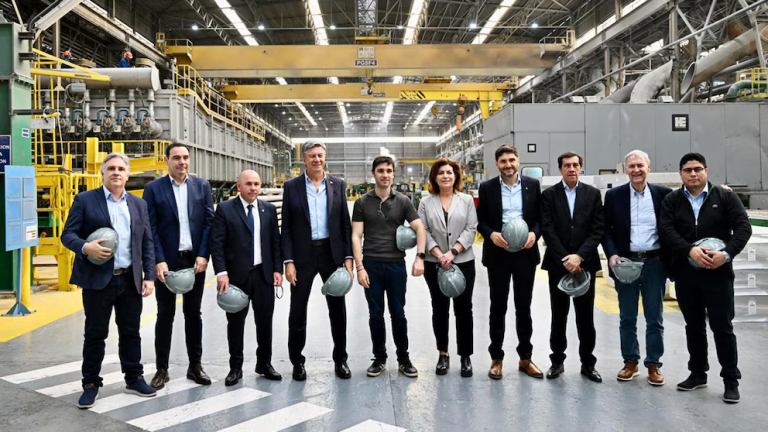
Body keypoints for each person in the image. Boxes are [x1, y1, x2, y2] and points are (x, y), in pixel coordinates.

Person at [61, 153, 157, 409]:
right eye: (111, 168)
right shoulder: (85, 200)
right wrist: (85, 247)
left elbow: (146, 242)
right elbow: (67, 234)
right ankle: (90, 383)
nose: (116, 172)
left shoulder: (138, 204)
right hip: (97, 280)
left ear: (128, 174)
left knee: (131, 332)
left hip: (129, 280)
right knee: (95, 333)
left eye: (121, 169)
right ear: (102, 173)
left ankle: (134, 378)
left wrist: (149, 276)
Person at [659, 152, 751, 403]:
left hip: (718, 273)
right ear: (680, 174)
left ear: (706, 171)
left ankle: (731, 380)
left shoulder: (725, 196)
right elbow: (666, 229)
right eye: (688, 170)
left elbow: (743, 227)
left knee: (722, 326)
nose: (693, 174)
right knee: (694, 325)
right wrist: (688, 250)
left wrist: (727, 254)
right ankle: (698, 373)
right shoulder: (672, 200)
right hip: (686, 274)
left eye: (697, 169)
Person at [143, 143, 214, 390]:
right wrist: (158, 259)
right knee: (165, 315)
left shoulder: (202, 186)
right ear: (167, 160)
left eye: (185, 157)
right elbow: (150, 227)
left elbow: (209, 223)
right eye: (176, 158)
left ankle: (195, 366)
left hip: (195, 262)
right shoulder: (153, 189)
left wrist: (203, 254)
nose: (182, 162)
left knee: (194, 314)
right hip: (167, 262)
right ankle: (161, 370)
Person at [281, 140, 353, 381]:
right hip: (303, 256)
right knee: (297, 310)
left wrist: (348, 257)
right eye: (312, 155)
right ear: (304, 159)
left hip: (331, 255)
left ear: (325, 157)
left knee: (337, 310)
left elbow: (344, 224)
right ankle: (297, 362)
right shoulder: (291, 186)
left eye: (320, 155)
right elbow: (287, 228)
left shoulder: (337, 185)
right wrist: (288, 261)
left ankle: (340, 359)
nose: (317, 159)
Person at [352, 156, 427, 378]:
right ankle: (380, 358)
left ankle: (403, 358)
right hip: (371, 266)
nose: (385, 175)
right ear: (373, 174)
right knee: (375, 315)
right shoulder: (362, 202)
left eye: (388, 171)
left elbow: (420, 229)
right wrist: (359, 267)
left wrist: (420, 257)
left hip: (396, 266)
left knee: (398, 314)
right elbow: (356, 236)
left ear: (394, 174)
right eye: (380, 170)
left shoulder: (403, 201)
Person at [602, 150, 671, 386]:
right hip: (626, 263)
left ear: (648, 168)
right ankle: (630, 361)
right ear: (626, 170)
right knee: (627, 316)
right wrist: (612, 255)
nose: (636, 170)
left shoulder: (664, 195)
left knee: (655, 317)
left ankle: (653, 364)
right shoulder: (614, 196)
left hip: (654, 263)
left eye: (640, 165)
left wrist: (723, 190)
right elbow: (606, 230)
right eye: (631, 166)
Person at [209, 170, 283, 385]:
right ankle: (235, 367)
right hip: (236, 277)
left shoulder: (268, 209)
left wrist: (277, 269)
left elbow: (275, 242)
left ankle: (264, 364)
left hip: (263, 275)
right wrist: (222, 273)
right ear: (239, 186)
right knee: (235, 324)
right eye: (248, 184)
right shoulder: (225, 209)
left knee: (265, 322)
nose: (253, 188)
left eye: (256, 184)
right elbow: (217, 244)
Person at [477, 145, 544, 380]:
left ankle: (525, 357)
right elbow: (480, 220)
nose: (508, 165)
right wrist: (491, 234)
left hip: (525, 253)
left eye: (512, 160)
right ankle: (496, 358)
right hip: (499, 253)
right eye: (503, 161)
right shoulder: (487, 188)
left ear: (518, 161)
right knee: (498, 307)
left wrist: (534, 234)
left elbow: (539, 218)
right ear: (497, 164)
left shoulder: (532, 185)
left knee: (524, 307)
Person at [540, 151, 604, 383]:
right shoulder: (549, 195)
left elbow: (597, 229)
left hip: (585, 264)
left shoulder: (593, 194)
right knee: (559, 315)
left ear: (581, 168)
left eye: (575, 165)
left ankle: (588, 363)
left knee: (585, 317)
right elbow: (548, 229)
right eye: (567, 165)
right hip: (558, 264)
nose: (571, 169)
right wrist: (566, 259)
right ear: (560, 169)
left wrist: (580, 257)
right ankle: (557, 361)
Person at [418, 158, 478, 377]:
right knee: (439, 308)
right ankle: (443, 354)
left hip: (463, 261)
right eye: (441, 173)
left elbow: (471, 229)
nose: (445, 176)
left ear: (456, 176)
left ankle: (465, 356)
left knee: (464, 309)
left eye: (449, 172)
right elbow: (423, 230)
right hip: (434, 263)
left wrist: (452, 252)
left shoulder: (466, 200)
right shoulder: (426, 202)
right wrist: (438, 254)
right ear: (434, 177)